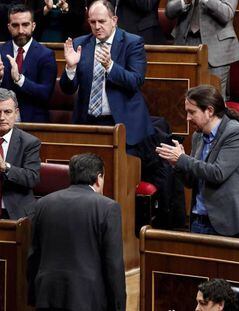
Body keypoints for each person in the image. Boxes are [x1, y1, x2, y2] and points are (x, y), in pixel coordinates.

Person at [27, 153, 126, 310]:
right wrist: (118, 306)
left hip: (47, 294)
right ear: (99, 177)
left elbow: (34, 255)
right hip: (87, 299)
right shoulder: (108, 207)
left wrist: (33, 295)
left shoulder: (42, 204)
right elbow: (113, 263)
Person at [155, 84, 239, 237]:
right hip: (198, 221)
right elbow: (191, 181)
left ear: (209, 111)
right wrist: (176, 164)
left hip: (227, 225)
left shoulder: (235, 132)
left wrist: (182, 159)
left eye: (192, 112)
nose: (187, 118)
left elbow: (217, 173)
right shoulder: (198, 136)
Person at [60, 0, 154, 153]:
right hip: (87, 124)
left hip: (122, 124)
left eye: (102, 21)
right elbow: (67, 89)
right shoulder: (80, 44)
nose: (97, 27)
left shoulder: (132, 43)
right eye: (93, 22)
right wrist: (71, 67)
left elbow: (135, 81)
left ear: (114, 20)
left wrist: (110, 66)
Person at [165, 0, 239, 98]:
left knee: (213, 100)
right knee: (181, 97)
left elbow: (227, 14)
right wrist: (184, 2)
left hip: (216, 49)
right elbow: (169, 12)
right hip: (185, 45)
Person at [0, 4, 57, 122]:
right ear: (9, 27)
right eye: (15, 25)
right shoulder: (1, 52)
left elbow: (45, 94)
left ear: (33, 26)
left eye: (25, 25)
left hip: (33, 122)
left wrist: (20, 79)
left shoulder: (46, 55)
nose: (21, 31)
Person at [0, 88, 40, 220]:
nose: (2, 117)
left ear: (16, 113)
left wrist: (5, 167)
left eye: (7, 112)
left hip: (15, 213)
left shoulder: (29, 142)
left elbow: (32, 178)